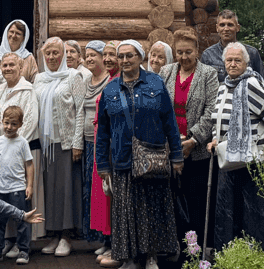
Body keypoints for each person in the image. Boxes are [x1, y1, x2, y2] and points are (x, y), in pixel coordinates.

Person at [96, 40, 183, 269]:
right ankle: (129, 258)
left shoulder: (156, 83)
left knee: (151, 209)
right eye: (121, 56)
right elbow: (102, 131)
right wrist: (103, 166)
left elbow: (170, 122)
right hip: (122, 159)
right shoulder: (110, 89)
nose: (125, 60)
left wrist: (176, 156)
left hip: (151, 159)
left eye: (130, 56)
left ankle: (152, 256)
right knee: (125, 212)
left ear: (140, 57)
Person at [207, 42, 264, 249]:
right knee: (228, 211)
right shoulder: (223, 86)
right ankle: (230, 255)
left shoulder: (251, 85)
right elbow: (217, 119)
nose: (232, 64)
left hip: (252, 161)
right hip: (228, 159)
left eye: (237, 60)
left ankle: (260, 255)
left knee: (254, 212)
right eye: (229, 60)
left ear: (246, 63)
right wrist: (216, 138)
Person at [159, 28, 218, 249]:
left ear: (197, 51)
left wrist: (193, 140)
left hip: (198, 150)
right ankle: (172, 247)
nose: (184, 57)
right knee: (170, 202)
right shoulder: (165, 72)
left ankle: (194, 251)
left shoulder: (208, 74)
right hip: (168, 149)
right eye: (180, 52)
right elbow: (159, 108)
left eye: (188, 52)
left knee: (196, 203)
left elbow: (212, 110)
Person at [33, 37, 85, 258]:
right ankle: (53, 233)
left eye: (56, 53)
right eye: (48, 53)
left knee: (66, 190)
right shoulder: (39, 78)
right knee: (50, 190)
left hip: (65, 143)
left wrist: (77, 143)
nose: (52, 57)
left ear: (64, 55)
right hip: (45, 145)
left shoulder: (74, 76)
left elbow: (81, 109)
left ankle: (67, 236)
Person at [0, 52, 43, 245]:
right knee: (6, 195)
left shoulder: (28, 89)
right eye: (4, 65)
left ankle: (22, 243)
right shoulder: (0, 89)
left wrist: (14, 144)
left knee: (20, 196)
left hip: (22, 150)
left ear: (20, 67)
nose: (7, 69)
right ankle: (9, 239)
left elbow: (30, 122)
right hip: (4, 149)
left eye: (11, 65)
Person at [0, 106, 35, 264]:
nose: (9, 127)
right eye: (6, 123)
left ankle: (23, 251)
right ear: (1, 122)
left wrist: (30, 185)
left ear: (20, 124)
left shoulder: (23, 143)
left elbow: (29, 165)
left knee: (22, 221)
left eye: (14, 124)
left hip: (18, 189)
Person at [81, 41, 112, 257]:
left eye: (94, 55)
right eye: (87, 55)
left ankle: (111, 241)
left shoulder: (111, 80)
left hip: (104, 144)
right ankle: (104, 239)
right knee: (95, 195)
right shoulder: (85, 81)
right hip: (88, 142)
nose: (90, 59)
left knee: (106, 193)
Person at [201, 10, 264, 83]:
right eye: (222, 25)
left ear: (238, 27)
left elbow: (260, 82)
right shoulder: (208, 55)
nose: (226, 29)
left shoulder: (252, 53)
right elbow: (203, 85)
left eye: (230, 25)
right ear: (217, 28)